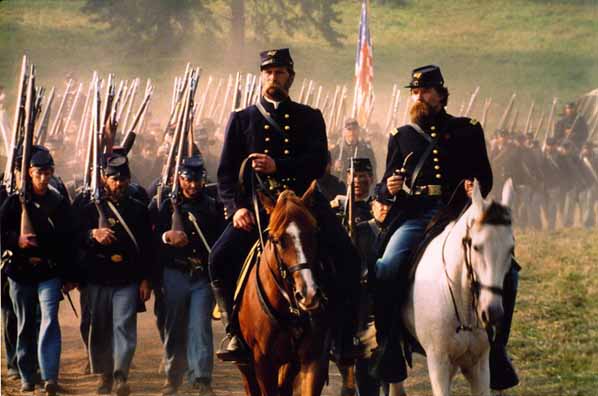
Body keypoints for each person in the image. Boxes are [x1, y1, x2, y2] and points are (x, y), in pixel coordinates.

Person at [209, 48, 361, 363]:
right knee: (218, 258)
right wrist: (236, 208)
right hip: (259, 206)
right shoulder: (242, 119)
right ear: (261, 76)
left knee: (347, 257)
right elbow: (225, 173)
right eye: (267, 72)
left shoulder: (310, 116)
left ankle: (344, 338)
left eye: (279, 72)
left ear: (290, 76)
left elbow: (318, 163)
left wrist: (279, 165)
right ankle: (234, 332)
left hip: (304, 204)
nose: (273, 78)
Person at [373, 65, 518, 391]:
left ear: (440, 94)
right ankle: (390, 347)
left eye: (424, 91)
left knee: (510, 273)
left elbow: (485, 175)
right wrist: (390, 188)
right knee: (386, 267)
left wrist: (473, 186)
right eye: (414, 91)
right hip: (416, 217)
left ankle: (497, 349)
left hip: (458, 214)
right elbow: (383, 185)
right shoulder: (401, 136)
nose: (418, 97)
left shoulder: (468, 129)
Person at [76, 154, 154, 396]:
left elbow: (148, 247)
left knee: (123, 327)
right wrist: (92, 234)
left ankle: (121, 375)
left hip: (127, 278)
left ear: (129, 180)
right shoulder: (87, 207)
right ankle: (104, 375)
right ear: (104, 179)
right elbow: (71, 237)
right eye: (113, 179)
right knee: (99, 328)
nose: (118, 184)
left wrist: (146, 279)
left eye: (123, 179)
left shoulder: (139, 209)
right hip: (97, 277)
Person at [0, 149, 76, 395]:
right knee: (24, 324)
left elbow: (69, 240)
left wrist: (68, 275)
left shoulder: (58, 202)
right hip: (20, 272)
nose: (43, 178)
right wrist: (17, 241)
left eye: (47, 173)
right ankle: (26, 375)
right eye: (38, 173)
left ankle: (49, 375)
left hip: (48, 271)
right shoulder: (13, 202)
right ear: (29, 174)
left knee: (49, 321)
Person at [150, 156, 224, 396]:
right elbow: (150, 241)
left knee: (200, 327)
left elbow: (219, 244)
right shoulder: (164, 204)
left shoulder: (212, 206)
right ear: (179, 179)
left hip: (201, 276)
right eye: (188, 180)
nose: (193, 185)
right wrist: (165, 238)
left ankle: (202, 378)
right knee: (174, 327)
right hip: (174, 273)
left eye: (197, 180)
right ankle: (173, 377)